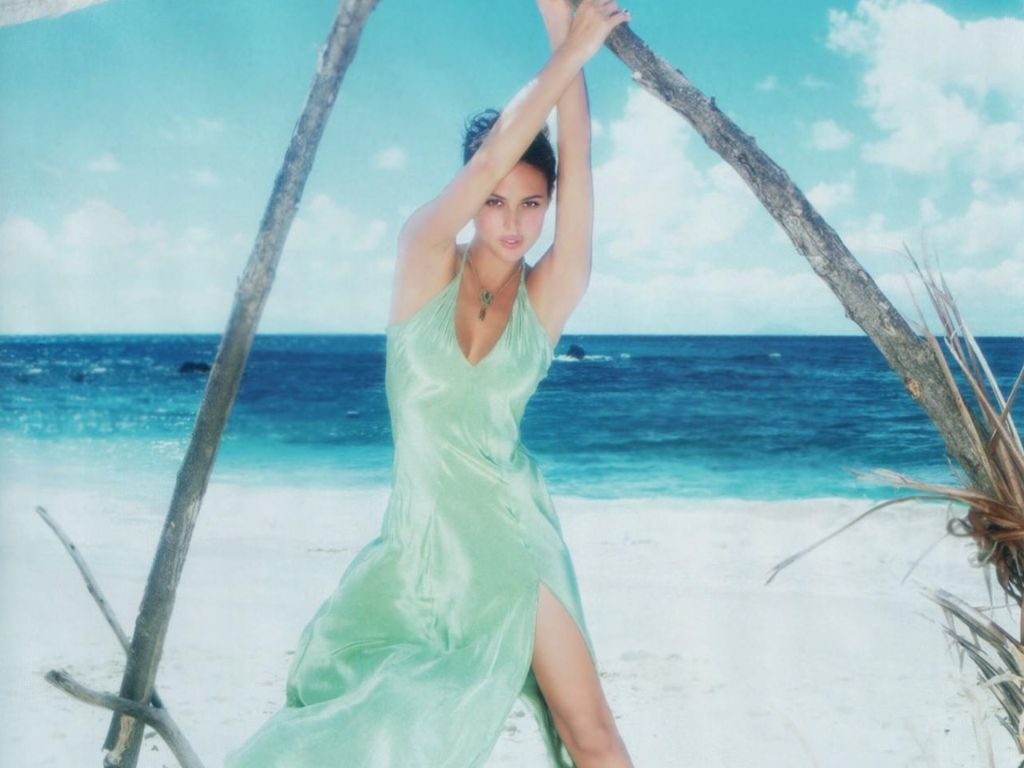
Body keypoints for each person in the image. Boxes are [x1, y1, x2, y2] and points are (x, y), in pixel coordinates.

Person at [224, 2, 634, 766]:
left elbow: (576, 160)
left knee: (594, 738)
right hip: (420, 553)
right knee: (382, 726)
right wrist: (567, 47)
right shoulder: (424, 257)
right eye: (495, 201)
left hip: (515, 537)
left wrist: (566, 33)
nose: (513, 222)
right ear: (470, 197)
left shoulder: (549, 296)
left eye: (531, 204)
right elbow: (490, 159)